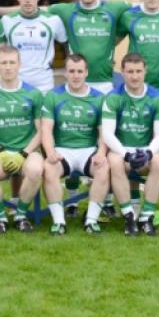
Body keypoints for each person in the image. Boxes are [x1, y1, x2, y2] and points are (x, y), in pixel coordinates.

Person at [102, 53, 159, 235]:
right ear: (122, 72)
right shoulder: (113, 97)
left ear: (145, 71)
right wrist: (126, 154)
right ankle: (129, 217)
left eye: (138, 71)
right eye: (130, 71)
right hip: (121, 150)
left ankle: (146, 217)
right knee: (115, 162)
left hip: (145, 150)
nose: (134, 76)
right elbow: (107, 134)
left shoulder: (157, 98)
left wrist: (148, 153)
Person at [41, 53, 109, 235]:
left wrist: (101, 152)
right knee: (49, 168)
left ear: (86, 72)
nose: (76, 75)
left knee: (103, 167)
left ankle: (91, 220)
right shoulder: (53, 96)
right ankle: (59, 221)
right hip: (63, 150)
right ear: (65, 73)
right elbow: (46, 129)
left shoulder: (99, 98)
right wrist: (50, 152)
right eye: (71, 71)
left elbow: (104, 132)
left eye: (80, 71)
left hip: (88, 150)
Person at [0, 46, 44, 233]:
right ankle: (0, 217)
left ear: (19, 65)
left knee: (35, 169)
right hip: (0, 151)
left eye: (12, 63)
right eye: (4, 63)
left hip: (28, 150)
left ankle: (21, 215)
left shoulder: (33, 94)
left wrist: (25, 152)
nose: (8, 67)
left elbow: (41, 131)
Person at [49, 0, 130, 94]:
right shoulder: (65, 10)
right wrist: (7, 11)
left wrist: (110, 44)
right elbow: (35, 10)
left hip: (104, 82)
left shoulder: (114, 8)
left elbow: (142, 8)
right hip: (77, 82)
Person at [1, 0, 66, 92]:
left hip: (44, 85)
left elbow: (66, 45)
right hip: (16, 84)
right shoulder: (7, 21)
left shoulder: (53, 20)